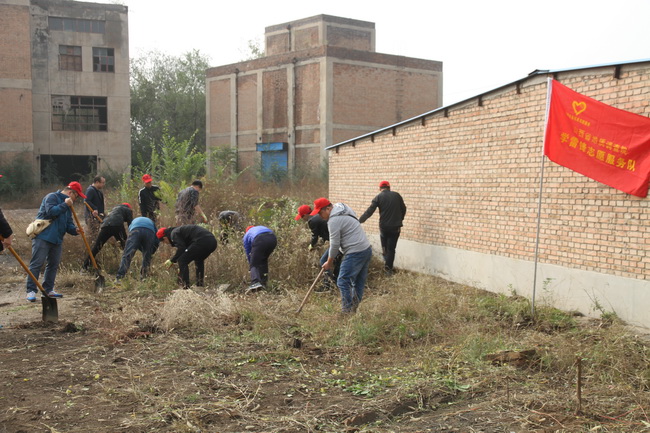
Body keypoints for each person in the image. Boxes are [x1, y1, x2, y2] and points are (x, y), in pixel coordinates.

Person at [311, 197, 372, 314]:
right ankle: (353, 310)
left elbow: (334, 244)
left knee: (343, 280)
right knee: (358, 282)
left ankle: (346, 311)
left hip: (355, 252)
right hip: (366, 249)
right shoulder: (342, 207)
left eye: (320, 212)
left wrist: (329, 262)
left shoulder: (333, 221)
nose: (319, 215)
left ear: (328, 208)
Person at [25, 181, 83, 301]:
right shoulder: (51, 197)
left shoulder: (69, 207)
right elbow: (51, 212)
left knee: (53, 265)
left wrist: (75, 230)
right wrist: (65, 205)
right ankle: (31, 291)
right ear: (70, 192)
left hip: (57, 240)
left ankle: (48, 289)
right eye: (76, 196)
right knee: (37, 264)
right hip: (43, 237)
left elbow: (68, 224)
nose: (76, 200)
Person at [359, 180, 407, 275]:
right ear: (389, 187)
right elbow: (404, 208)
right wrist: (400, 219)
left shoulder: (379, 197)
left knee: (385, 247)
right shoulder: (397, 195)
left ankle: (386, 264)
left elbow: (370, 211)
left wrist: (359, 221)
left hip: (384, 227)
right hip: (395, 227)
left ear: (380, 188)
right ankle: (388, 269)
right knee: (391, 249)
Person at [295, 204, 338, 291]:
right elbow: (324, 234)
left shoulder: (312, 221)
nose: (302, 219)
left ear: (306, 214)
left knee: (323, 261)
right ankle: (336, 283)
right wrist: (320, 244)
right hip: (339, 240)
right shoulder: (318, 216)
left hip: (337, 242)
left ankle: (328, 285)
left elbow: (315, 236)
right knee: (336, 261)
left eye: (302, 216)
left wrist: (311, 245)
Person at [83, 202, 133, 270]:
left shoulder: (114, 209)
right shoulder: (128, 210)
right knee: (125, 246)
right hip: (117, 226)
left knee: (97, 247)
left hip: (105, 225)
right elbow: (131, 224)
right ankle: (127, 266)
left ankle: (85, 266)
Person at [116, 216, 160, 282]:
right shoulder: (151, 222)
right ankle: (144, 277)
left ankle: (120, 278)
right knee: (147, 257)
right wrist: (151, 252)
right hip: (149, 232)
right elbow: (157, 239)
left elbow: (131, 234)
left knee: (127, 254)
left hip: (135, 230)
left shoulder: (133, 222)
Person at [242, 225, 277, 293]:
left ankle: (255, 282)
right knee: (263, 260)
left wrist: (251, 264)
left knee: (254, 263)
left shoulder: (246, 235)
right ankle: (263, 282)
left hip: (260, 239)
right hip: (273, 238)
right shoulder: (259, 227)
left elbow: (248, 252)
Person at [84, 175, 106, 240]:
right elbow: (86, 201)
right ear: (97, 182)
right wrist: (94, 209)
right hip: (91, 217)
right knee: (93, 235)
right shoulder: (90, 190)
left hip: (98, 216)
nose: (103, 184)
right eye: (102, 182)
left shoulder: (98, 191)